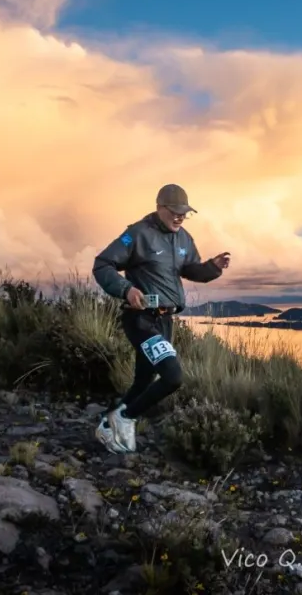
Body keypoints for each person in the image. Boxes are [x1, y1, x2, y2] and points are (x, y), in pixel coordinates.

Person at [91, 183, 230, 453]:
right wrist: (126, 289)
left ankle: (107, 427)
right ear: (160, 208)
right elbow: (102, 264)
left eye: (184, 212)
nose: (180, 217)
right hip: (141, 319)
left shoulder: (184, 238)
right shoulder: (137, 234)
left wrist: (212, 268)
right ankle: (125, 418)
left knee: (143, 382)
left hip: (165, 321)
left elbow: (190, 270)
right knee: (172, 377)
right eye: (175, 211)